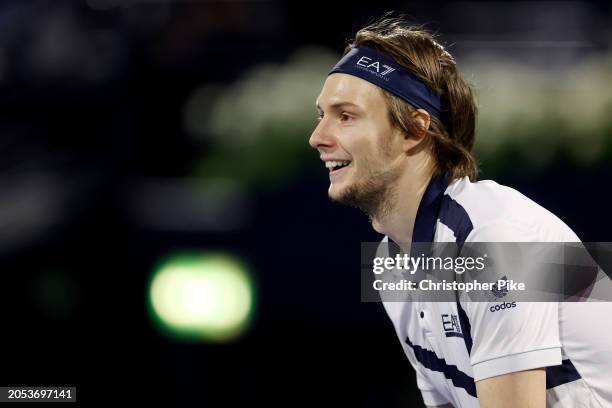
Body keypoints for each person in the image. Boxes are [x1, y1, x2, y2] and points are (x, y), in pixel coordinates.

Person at [308, 15, 612, 408]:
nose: (318, 137)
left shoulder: (496, 236)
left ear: (415, 130)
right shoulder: (390, 264)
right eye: (322, 115)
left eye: (345, 116)